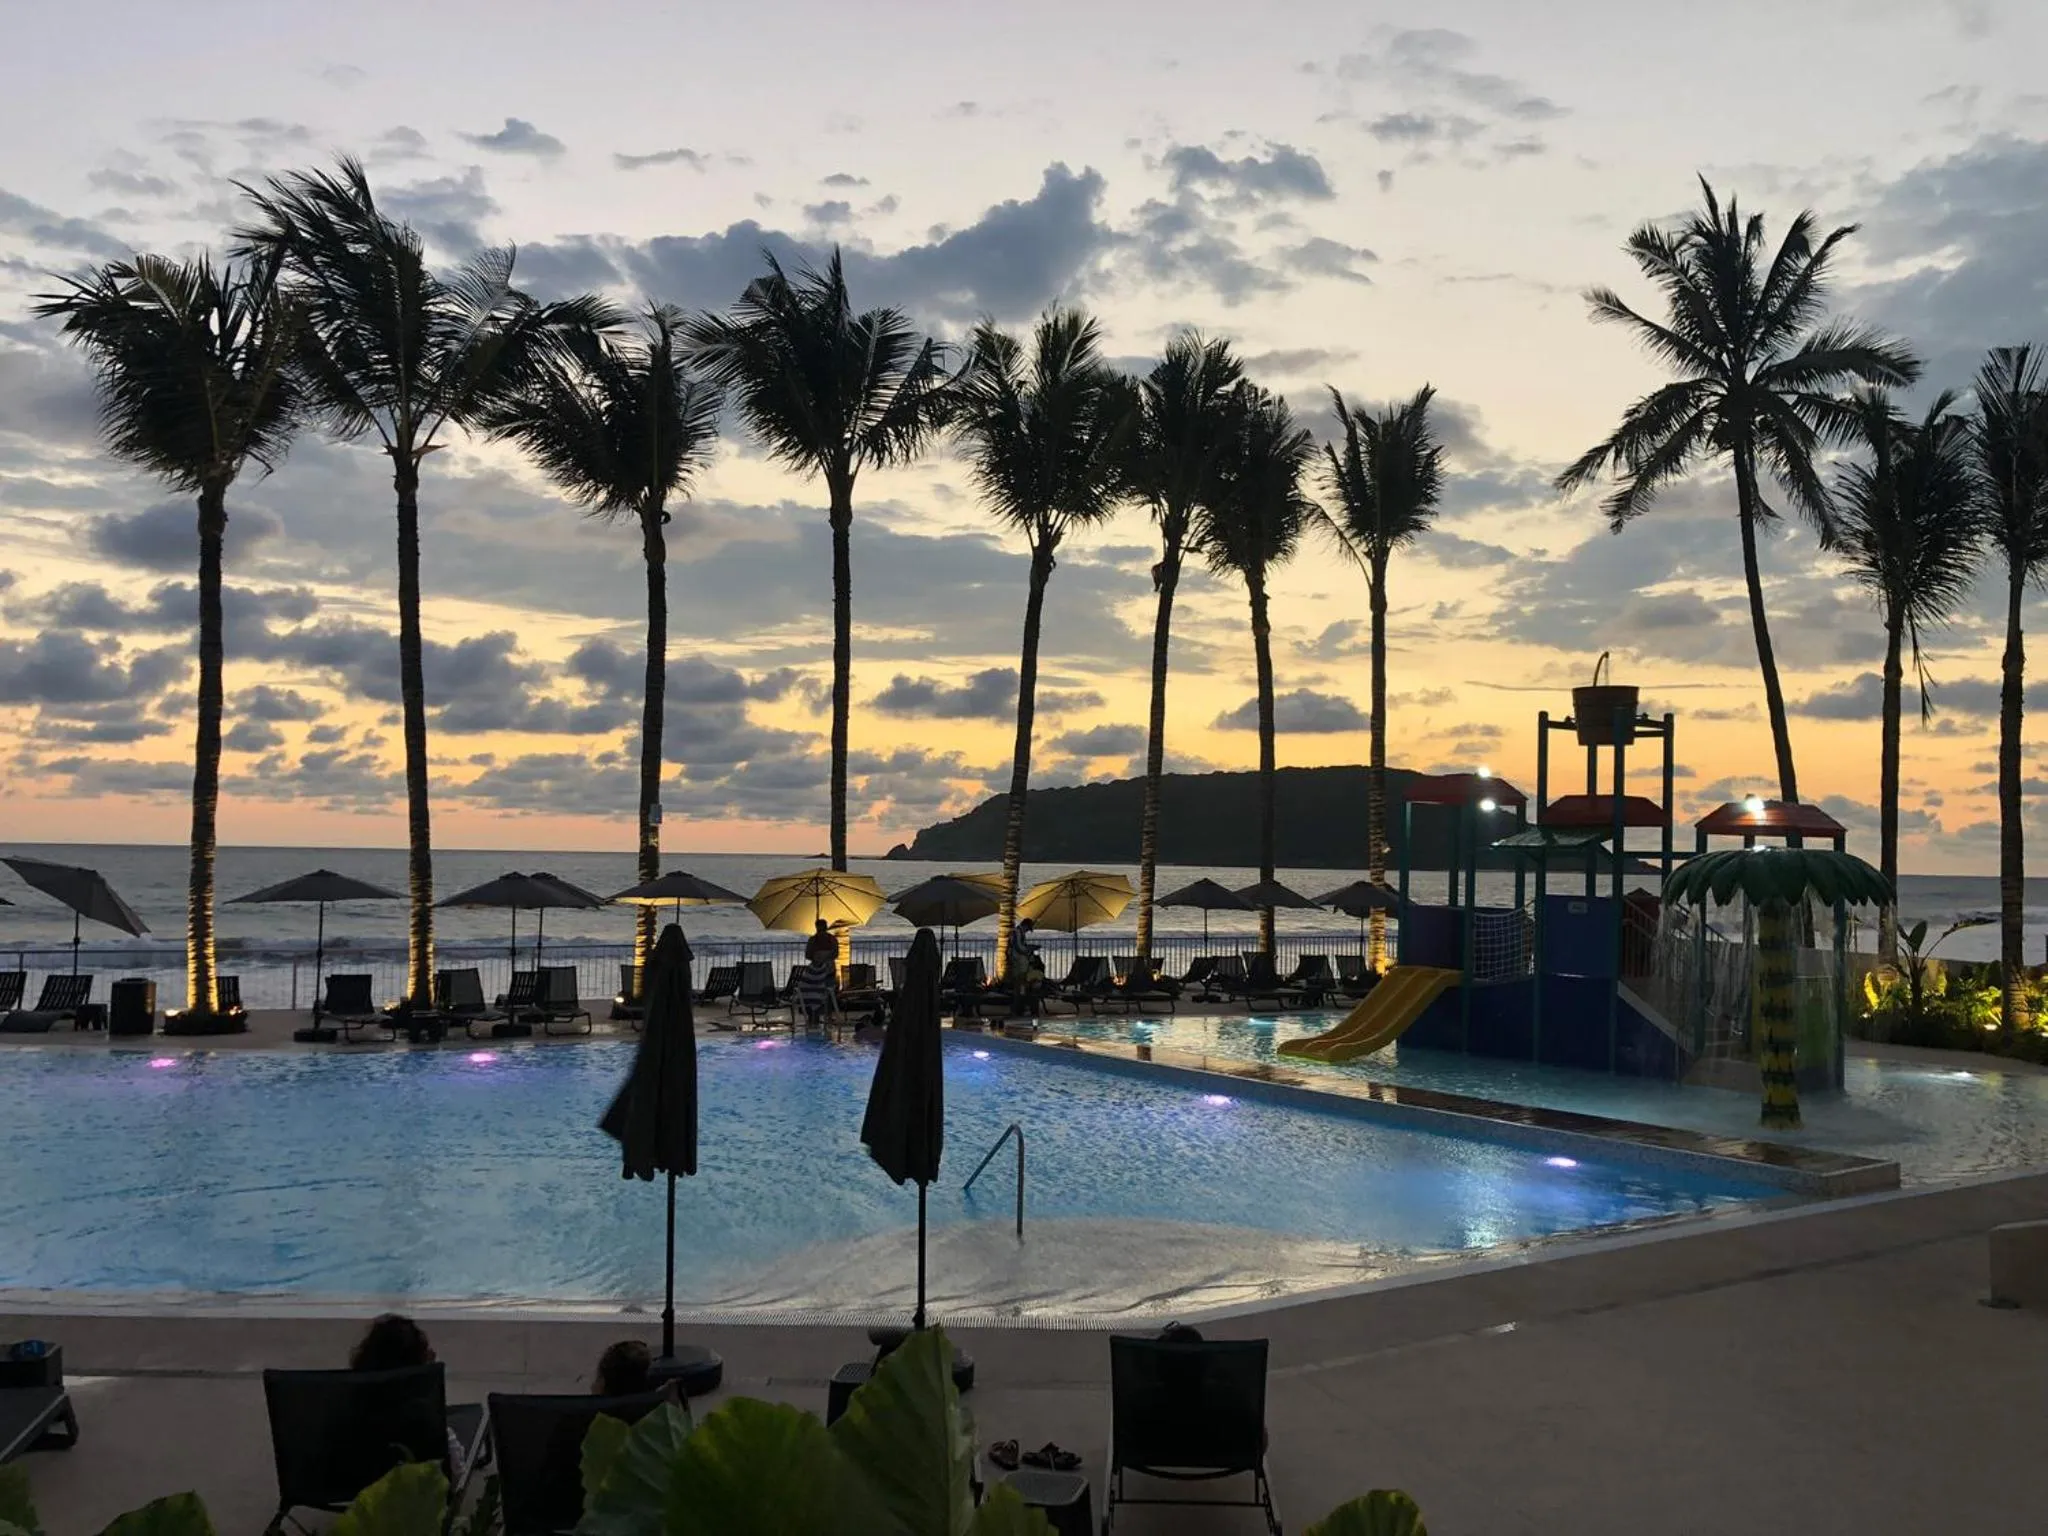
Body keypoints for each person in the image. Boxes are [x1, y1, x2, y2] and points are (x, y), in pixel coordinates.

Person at [349, 1314, 467, 1475]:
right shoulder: (424, 1419)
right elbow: (456, 1468)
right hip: (420, 1494)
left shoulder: (350, 1409)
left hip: (362, 1491)